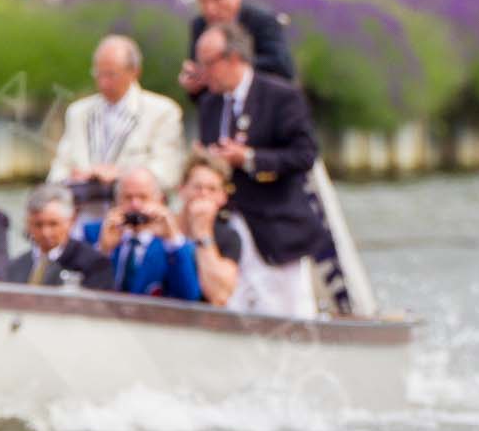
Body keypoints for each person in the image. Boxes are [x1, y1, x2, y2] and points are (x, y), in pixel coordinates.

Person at [192, 22, 321, 320]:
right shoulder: (209, 104)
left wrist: (249, 158)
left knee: (288, 314)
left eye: (208, 64)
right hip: (227, 228)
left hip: (275, 226)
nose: (202, 72)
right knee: (233, 308)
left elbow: (304, 155)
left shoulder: (280, 96)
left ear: (233, 59)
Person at [48, 35, 187, 206]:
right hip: (84, 213)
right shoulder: (78, 112)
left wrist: (121, 175)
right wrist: (75, 178)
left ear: (134, 72)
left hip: (137, 217)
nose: (103, 83)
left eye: (111, 75)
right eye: (98, 74)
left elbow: (168, 173)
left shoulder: (163, 111)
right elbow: (58, 171)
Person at [179, 0, 295, 97]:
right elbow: (200, 85)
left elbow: (281, 66)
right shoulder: (199, 25)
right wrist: (192, 81)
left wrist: (231, 67)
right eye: (203, 1)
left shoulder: (262, 21)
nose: (210, 9)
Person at [98, 167, 199, 302]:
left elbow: (188, 296)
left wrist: (172, 240)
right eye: (128, 197)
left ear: (159, 200)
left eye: (143, 197)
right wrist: (103, 252)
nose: (135, 205)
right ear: (117, 200)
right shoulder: (96, 231)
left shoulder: (174, 245)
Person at [4, 183, 110, 290]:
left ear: (71, 221)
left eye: (53, 224)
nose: (45, 232)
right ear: (28, 224)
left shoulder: (94, 264)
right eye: (38, 224)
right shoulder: (16, 265)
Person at [178, 154, 242, 308]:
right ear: (181, 190)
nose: (204, 194)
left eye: (212, 189)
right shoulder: (164, 228)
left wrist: (202, 233)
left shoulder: (229, 237)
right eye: (197, 187)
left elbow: (219, 296)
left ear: (223, 197)